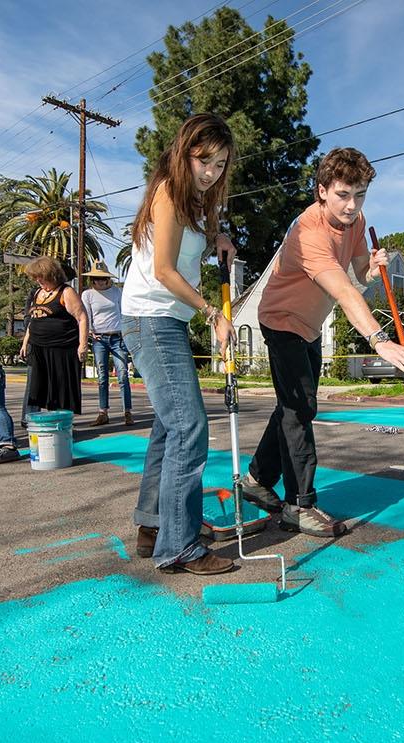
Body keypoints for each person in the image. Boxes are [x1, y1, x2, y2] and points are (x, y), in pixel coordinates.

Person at [240, 147, 404, 536]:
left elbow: (357, 273)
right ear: (322, 190)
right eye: (343, 195)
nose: (352, 206)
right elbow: (343, 291)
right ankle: (299, 505)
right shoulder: (308, 232)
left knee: (294, 405)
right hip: (281, 320)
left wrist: (372, 268)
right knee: (300, 409)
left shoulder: (355, 223)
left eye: (360, 195)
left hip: (310, 324)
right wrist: (379, 340)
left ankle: (256, 479)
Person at [121, 113, 238, 576]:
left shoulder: (193, 200)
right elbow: (166, 271)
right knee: (190, 427)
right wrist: (214, 315)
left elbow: (189, 248)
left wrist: (219, 237)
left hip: (163, 319)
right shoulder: (169, 192)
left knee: (169, 429)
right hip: (151, 320)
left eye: (220, 164)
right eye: (204, 160)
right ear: (185, 151)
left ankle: (154, 526)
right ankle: (179, 546)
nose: (210, 172)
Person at [19, 256, 87, 418]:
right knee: (37, 387)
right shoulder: (37, 293)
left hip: (62, 348)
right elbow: (33, 319)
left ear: (52, 275)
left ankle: (60, 422)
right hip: (38, 347)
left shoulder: (67, 292)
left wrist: (82, 344)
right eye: (36, 278)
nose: (38, 281)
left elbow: (82, 317)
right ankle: (31, 420)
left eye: (41, 277)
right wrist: (25, 343)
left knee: (60, 387)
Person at [80, 264, 133, 426]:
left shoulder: (117, 292)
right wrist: (90, 332)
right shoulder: (87, 294)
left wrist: (127, 332)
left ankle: (127, 412)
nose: (101, 282)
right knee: (102, 377)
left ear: (108, 279)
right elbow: (86, 316)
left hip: (118, 337)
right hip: (99, 339)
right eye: (97, 278)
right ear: (92, 280)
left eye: (103, 278)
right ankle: (103, 412)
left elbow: (124, 312)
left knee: (123, 375)